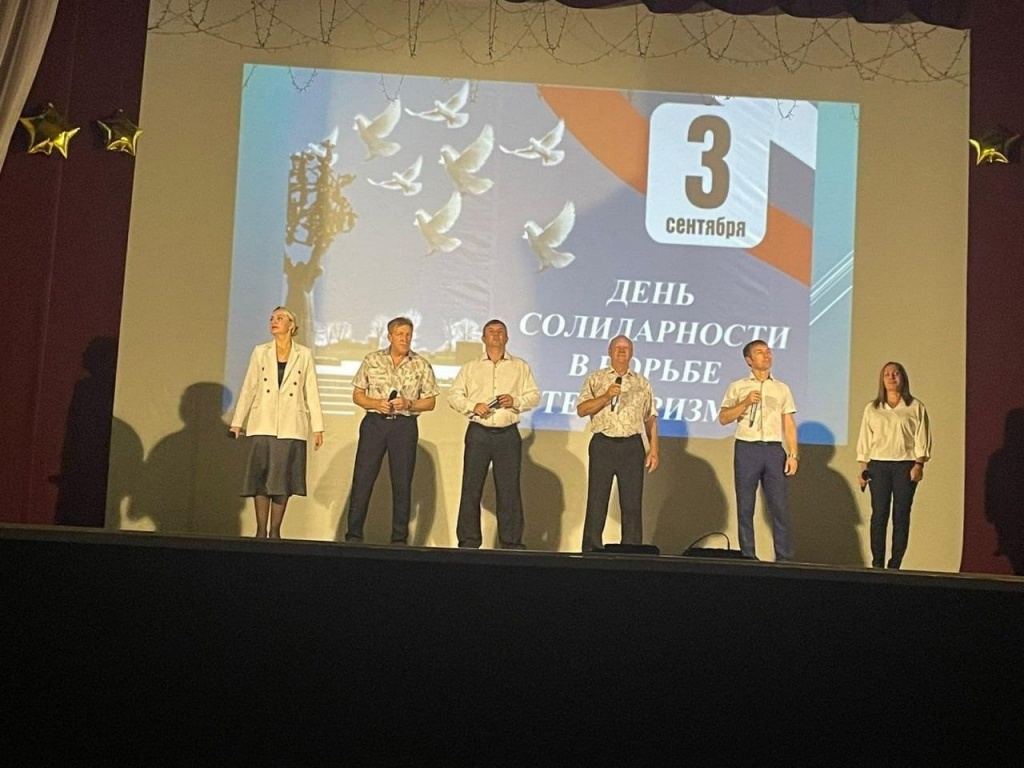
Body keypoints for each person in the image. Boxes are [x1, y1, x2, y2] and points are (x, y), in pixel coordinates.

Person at [230, 306, 324, 538]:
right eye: (272, 318)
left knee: (282, 480)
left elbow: (311, 391)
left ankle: (275, 530)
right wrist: (237, 422)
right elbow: (249, 387)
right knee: (261, 479)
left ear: (291, 325)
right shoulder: (260, 351)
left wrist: (318, 427)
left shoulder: (304, 354)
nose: (274, 321)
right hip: (263, 421)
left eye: (280, 318)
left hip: (292, 424)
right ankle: (261, 530)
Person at [448, 319, 541, 549]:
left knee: (509, 489)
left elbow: (534, 396)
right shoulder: (471, 367)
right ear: (483, 338)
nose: (496, 335)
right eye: (491, 331)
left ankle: (511, 541)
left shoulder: (520, 366)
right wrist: (473, 406)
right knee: (471, 487)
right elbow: (453, 396)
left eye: (500, 332)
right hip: (478, 432)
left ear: (507, 338)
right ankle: (469, 540)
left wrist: (515, 401)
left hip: (507, 434)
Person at [345, 316, 438, 544]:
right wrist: (376, 403)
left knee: (402, 482)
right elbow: (357, 395)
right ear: (389, 336)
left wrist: (408, 403)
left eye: (408, 335)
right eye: (400, 335)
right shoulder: (372, 359)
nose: (404, 339)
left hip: (403, 426)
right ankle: (353, 535)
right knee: (363, 479)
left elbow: (430, 402)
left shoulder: (421, 364)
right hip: (375, 423)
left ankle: (399, 539)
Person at [576, 335, 659, 552]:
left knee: (632, 504)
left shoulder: (642, 382)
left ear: (631, 353)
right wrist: (606, 396)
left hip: (631, 446)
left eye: (626, 348)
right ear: (609, 351)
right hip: (603, 444)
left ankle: (631, 551)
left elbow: (650, 418)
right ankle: (591, 549)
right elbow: (582, 409)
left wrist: (654, 450)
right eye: (617, 348)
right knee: (597, 500)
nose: (621, 351)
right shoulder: (596, 378)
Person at [718, 340, 799, 561]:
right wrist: (744, 403)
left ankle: (784, 557)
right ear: (749, 360)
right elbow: (723, 418)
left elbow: (789, 423)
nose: (766, 355)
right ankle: (748, 556)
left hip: (773, 450)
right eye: (760, 352)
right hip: (747, 448)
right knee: (746, 506)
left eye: (768, 352)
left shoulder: (782, 388)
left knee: (779, 507)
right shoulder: (738, 386)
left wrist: (793, 454)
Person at [856, 362, 931, 569]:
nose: (891, 377)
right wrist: (862, 468)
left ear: (902, 377)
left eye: (895, 373)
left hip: (905, 466)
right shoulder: (873, 408)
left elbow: (922, 438)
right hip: (878, 466)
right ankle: (877, 563)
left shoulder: (915, 407)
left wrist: (919, 464)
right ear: (882, 379)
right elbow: (865, 439)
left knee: (901, 515)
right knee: (879, 515)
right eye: (887, 374)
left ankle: (895, 564)